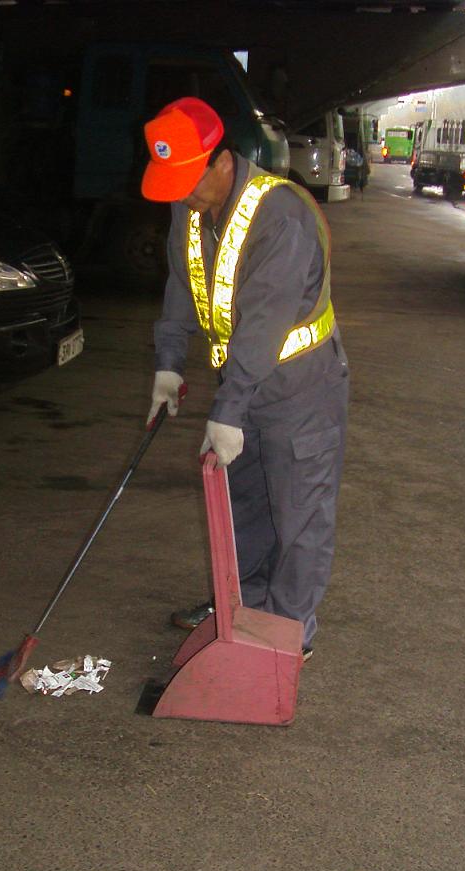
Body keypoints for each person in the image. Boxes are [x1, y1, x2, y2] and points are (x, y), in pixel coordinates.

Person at [141, 97, 349, 659]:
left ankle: (286, 636)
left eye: (188, 181)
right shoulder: (190, 207)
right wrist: (169, 363)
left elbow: (261, 324)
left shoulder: (279, 215)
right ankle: (243, 606)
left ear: (222, 161)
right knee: (246, 507)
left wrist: (227, 410)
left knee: (298, 512)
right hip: (247, 388)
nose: (182, 195)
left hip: (300, 391)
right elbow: (182, 285)